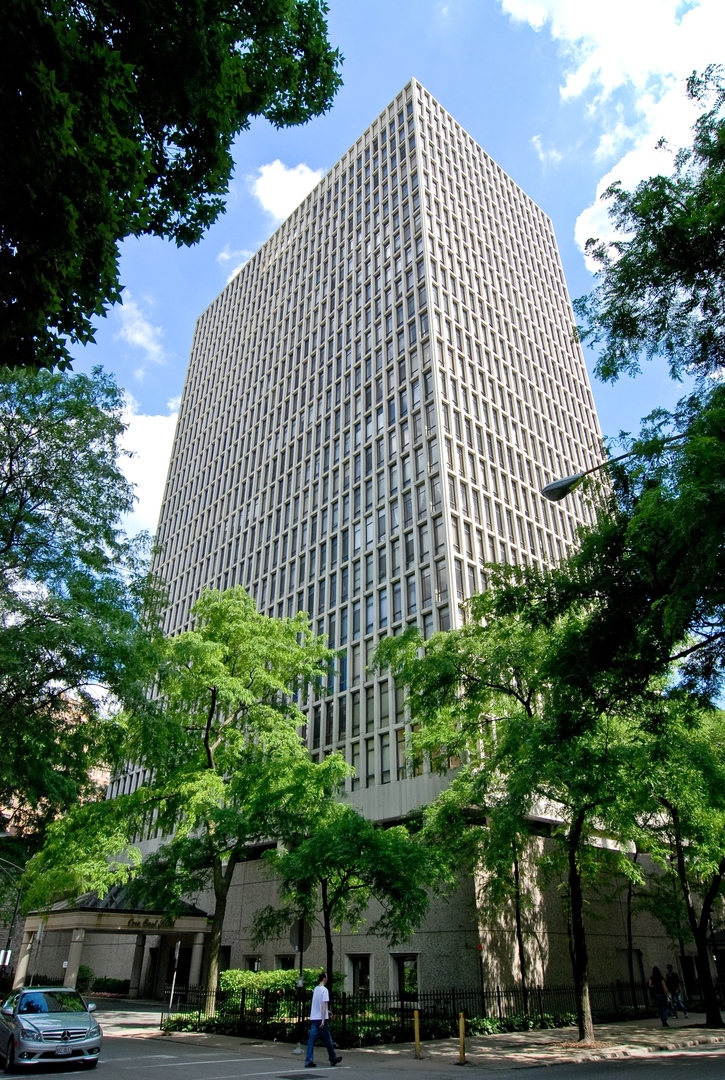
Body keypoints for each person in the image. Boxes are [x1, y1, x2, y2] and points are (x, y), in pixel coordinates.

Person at [305, 971, 342, 1069]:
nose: (328, 978)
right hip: (322, 1019)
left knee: (311, 1040)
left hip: (314, 1018)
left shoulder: (316, 989)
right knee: (328, 1039)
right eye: (327, 976)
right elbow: (323, 1004)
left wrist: (327, 1011)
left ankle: (309, 1060)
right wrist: (323, 1019)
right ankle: (333, 1058)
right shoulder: (324, 990)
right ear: (324, 978)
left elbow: (317, 1004)